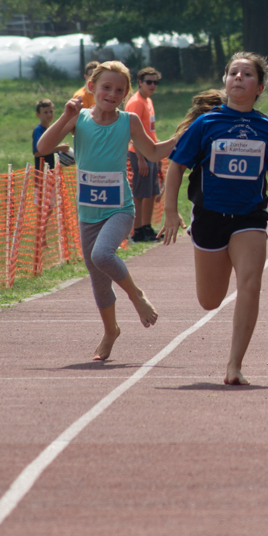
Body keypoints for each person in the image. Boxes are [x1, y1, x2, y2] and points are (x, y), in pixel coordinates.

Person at [161, 53, 268, 385]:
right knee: (210, 301)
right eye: (233, 73)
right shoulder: (206, 124)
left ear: (260, 87)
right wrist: (170, 210)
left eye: (247, 74)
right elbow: (176, 165)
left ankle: (234, 365)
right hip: (210, 216)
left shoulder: (267, 128)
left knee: (250, 284)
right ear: (225, 82)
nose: (239, 77)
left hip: (249, 216)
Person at [37, 62, 177, 361]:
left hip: (119, 209)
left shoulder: (128, 121)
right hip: (88, 213)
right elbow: (43, 147)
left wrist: (180, 139)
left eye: (119, 90)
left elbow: (153, 152)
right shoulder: (79, 119)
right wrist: (66, 115)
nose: (112, 94)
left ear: (126, 94)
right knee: (98, 278)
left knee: (102, 255)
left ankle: (137, 296)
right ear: (92, 87)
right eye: (106, 87)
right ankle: (111, 331)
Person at [126, 67, 163, 242]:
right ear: (140, 82)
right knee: (140, 193)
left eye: (155, 82)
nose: (152, 85)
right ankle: (137, 230)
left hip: (150, 152)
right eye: (149, 82)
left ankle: (147, 227)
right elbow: (132, 132)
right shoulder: (136, 102)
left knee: (151, 192)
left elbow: (150, 130)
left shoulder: (148, 100)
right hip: (139, 153)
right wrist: (140, 158)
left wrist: (157, 155)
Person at [32, 99, 71, 171]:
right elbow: (37, 153)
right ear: (38, 114)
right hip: (42, 173)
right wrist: (59, 148)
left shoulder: (50, 130)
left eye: (51, 112)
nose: (49, 115)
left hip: (51, 172)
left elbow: (50, 149)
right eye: (45, 112)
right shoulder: (39, 130)